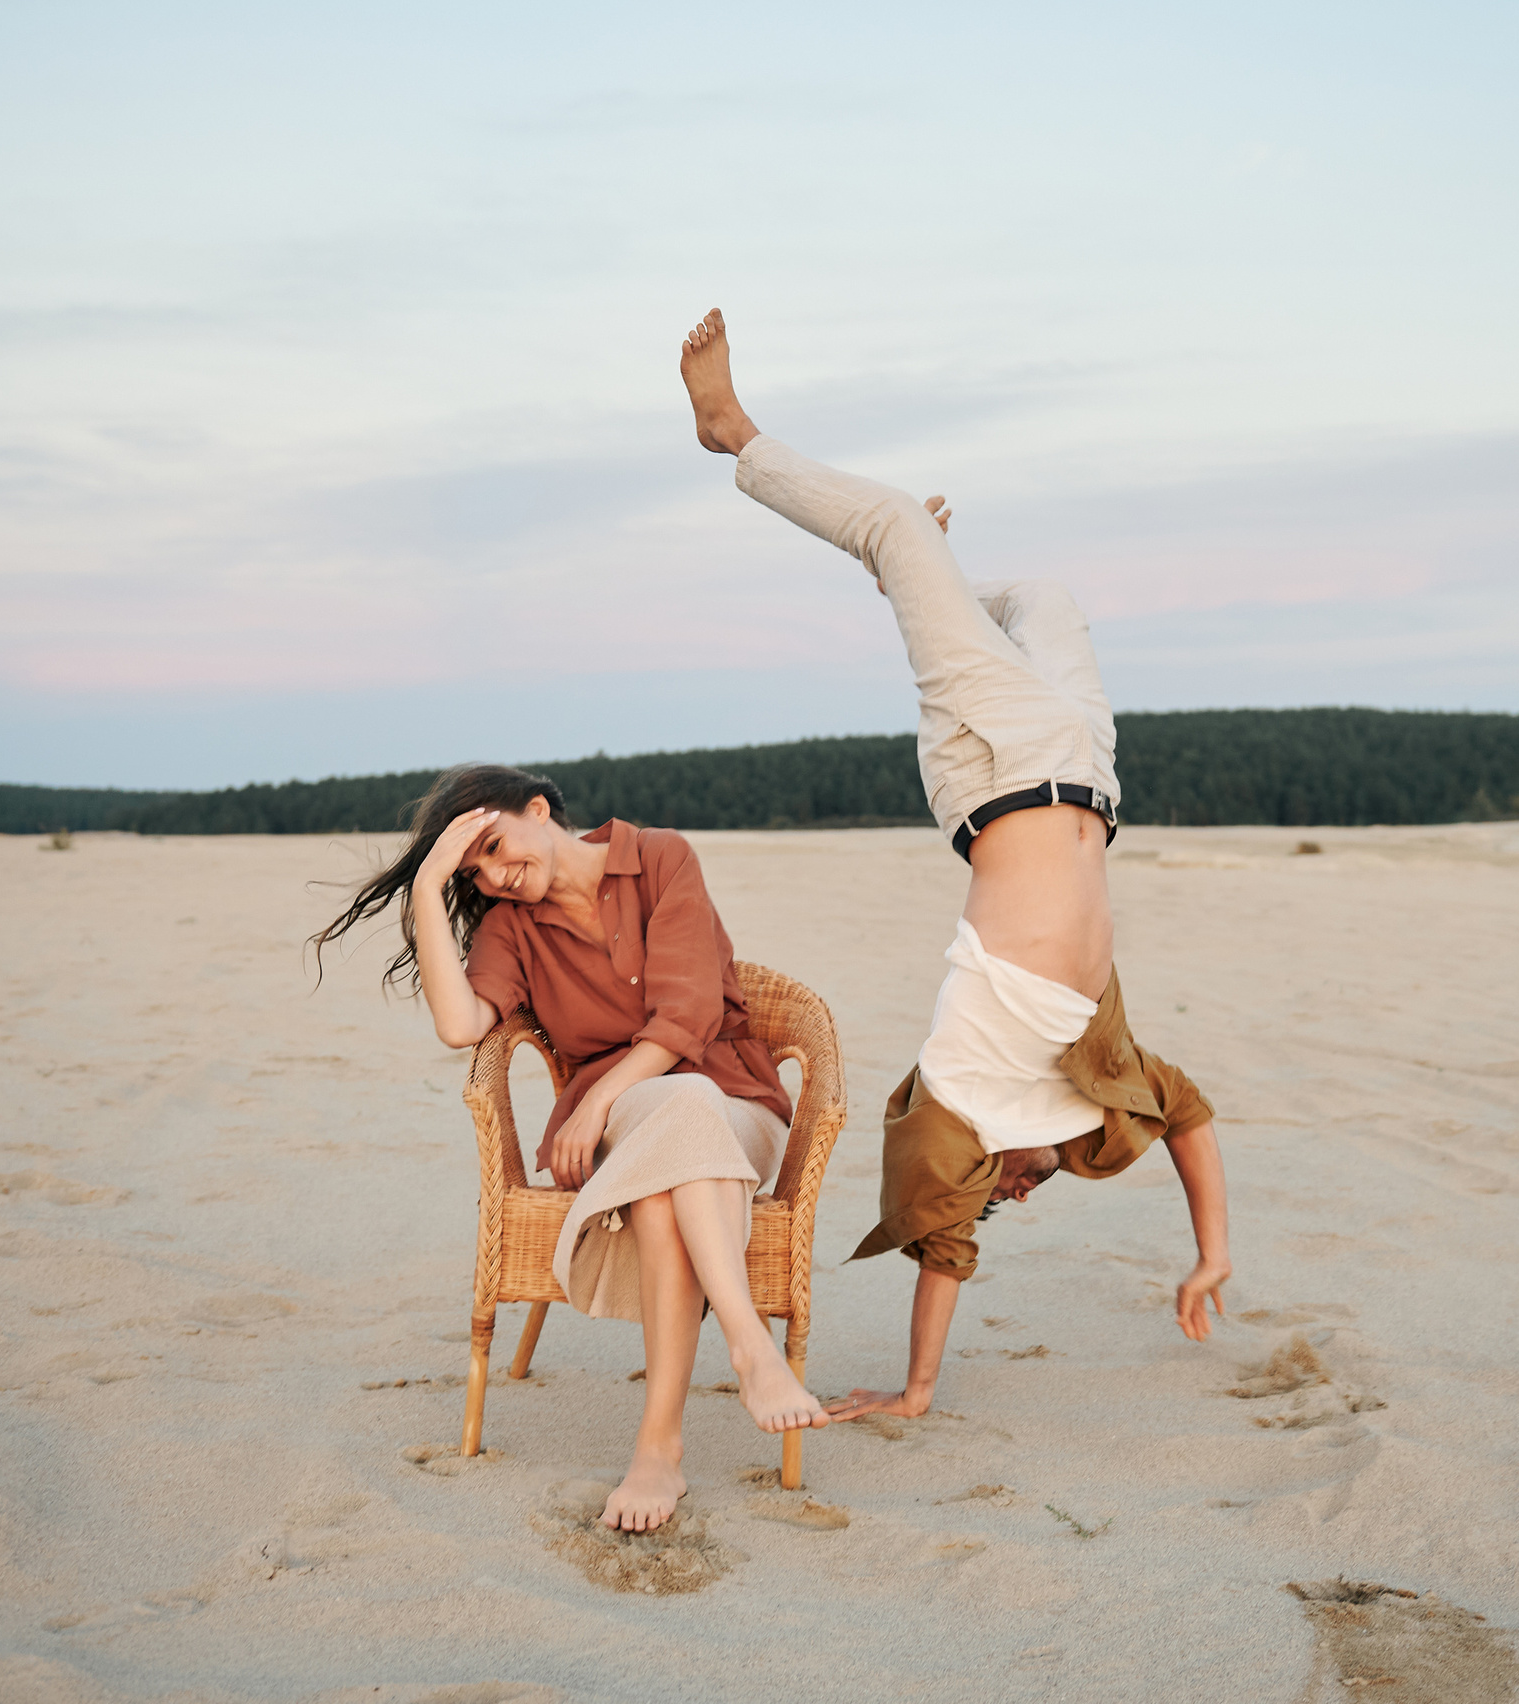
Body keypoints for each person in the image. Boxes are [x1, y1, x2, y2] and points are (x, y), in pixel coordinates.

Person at [676, 309, 1232, 1426]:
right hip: (1087, 773)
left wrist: (917, 1389)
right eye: (1019, 1195)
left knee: (892, 524)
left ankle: (734, 434)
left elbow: (941, 1247)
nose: (1015, 1197)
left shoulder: (960, 1106)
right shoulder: (1098, 1109)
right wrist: (1211, 1252)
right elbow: (1192, 1117)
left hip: (996, 768)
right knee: (1044, 600)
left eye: (995, 1198)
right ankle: (926, 583)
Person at [314, 764, 827, 1532]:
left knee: (683, 1122)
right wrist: (425, 888)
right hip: (624, 1129)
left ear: (537, 808)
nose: (494, 876)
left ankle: (661, 1448)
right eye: (472, 872)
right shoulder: (508, 929)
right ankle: (745, 1351)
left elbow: (687, 1015)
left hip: (733, 1104)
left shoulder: (660, 858)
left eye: (493, 846)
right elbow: (460, 1025)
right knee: (672, 1136)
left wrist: (595, 1100)